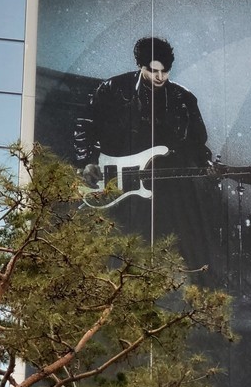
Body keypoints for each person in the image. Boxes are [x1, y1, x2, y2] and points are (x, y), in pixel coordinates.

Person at [73, 37, 222, 284]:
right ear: (140, 66)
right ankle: (113, 292)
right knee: (120, 241)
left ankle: (203, 291)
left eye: (165, 71)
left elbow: (197, 142)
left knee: (191, 236)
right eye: (153, 71)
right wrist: (86, 160)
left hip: (168, 178)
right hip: (123, 176)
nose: (160, 77)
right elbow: (85, 124)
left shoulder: (184, 98)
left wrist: (205, 164)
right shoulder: (113, 88)